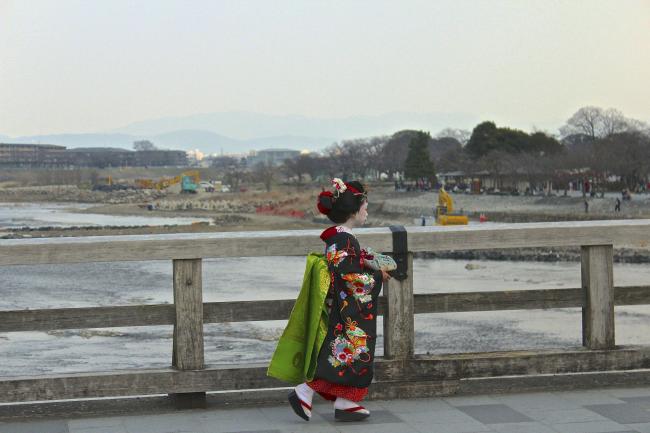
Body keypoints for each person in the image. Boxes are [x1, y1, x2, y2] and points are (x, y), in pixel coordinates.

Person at [279, 179, 390, 422]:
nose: (367, 211)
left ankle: (346, 402)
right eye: (365, 206)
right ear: (354, 210)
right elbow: (349, 275)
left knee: (348, 354)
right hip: (345, 308)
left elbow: (346, 267)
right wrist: (376, 276)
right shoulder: (344, 240)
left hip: (341, 304)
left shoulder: (341, 238)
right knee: (346, 353)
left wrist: (366, 261)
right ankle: (304, 391)